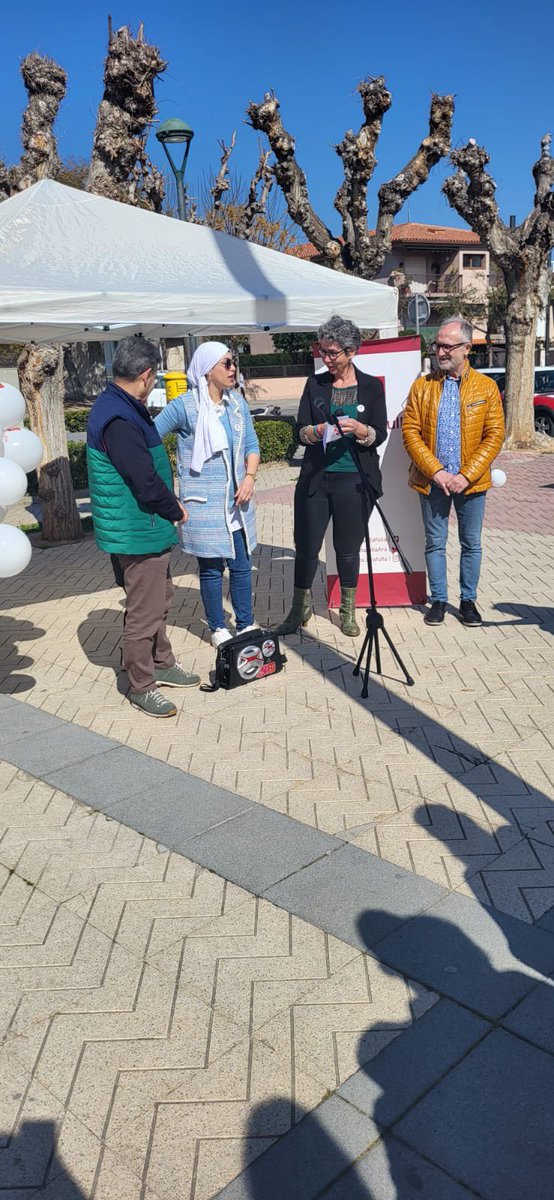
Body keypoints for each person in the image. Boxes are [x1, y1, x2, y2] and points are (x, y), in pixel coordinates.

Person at [86, 336, 200, 718]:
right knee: (144, 610)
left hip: (141, 526)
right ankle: (141, 684)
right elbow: (144, 479)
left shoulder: (120, 405)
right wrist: (175, 509)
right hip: (137, 529)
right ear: (147, 375)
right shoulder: (118, 418)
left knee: (158, 597)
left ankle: (162, 662)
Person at [277, 315, 387, 637]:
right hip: (317, 479)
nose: (325, 358)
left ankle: (348, 610)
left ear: (351, 352)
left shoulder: (371, 386)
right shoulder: (315, 384)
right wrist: (318, 431)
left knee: (347, 548)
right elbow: (299, 431)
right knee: (306, 546)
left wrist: (362, 430)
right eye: (322, 351)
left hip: (355, 480)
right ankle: (299, 608)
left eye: (332, 353)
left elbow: (379, 434)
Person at [402, 314, 505, 627]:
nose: (441, 352)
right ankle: (439, 600)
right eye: (438, 345)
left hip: (470, 483)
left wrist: (466, 475)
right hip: (433, 481)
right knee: (434, 542)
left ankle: (468, 600)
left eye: (448, 346)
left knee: (471, 543)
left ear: (467, 347)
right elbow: (410, 432)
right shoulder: (421, 387)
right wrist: (437, 472)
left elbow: (495, 435)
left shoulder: (486, 388)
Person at [154, 342, 260, 647]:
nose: (232, 368)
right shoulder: (185, 406)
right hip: (203, 504)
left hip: (237, 502)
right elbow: (150, 437)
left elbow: (252, 444)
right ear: (206, 370)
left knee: (241, 565)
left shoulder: (236, 403)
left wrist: (250, 477)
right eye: (225, 363)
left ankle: (245, 623)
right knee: (211, 569)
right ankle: (217, 626)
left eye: (233, 362)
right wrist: (167, 486)